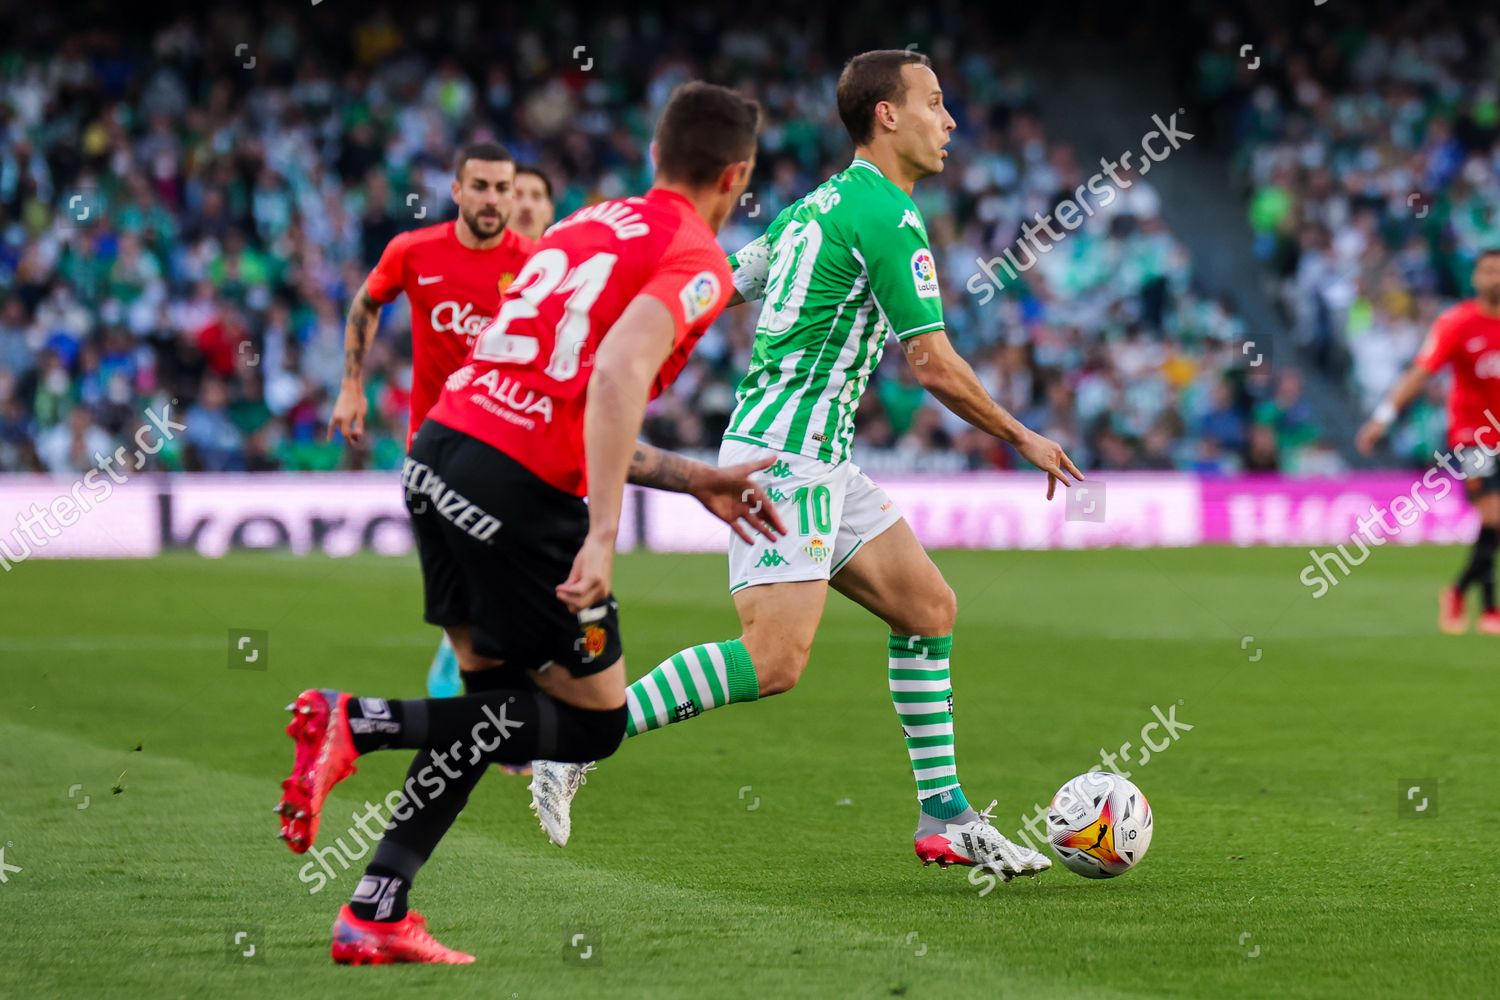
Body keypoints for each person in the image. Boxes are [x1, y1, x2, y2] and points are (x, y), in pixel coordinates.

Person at [530, 50, 1080, 881]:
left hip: (813, 453)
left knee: (929, 608)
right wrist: (1022, 434)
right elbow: (929, 361)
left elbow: (723, 282)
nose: (951, 121)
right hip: (784, 457)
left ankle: (946, 816)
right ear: (887, 116)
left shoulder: (810, 209)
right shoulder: (887, 217)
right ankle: (577, 734)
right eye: (935, 103)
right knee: (774, 661)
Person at [275, 81, 770, 964]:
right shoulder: (698, 258)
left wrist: (696, 478)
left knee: (490, 710)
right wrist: (604, 533)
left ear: (656, 155)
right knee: (592, 724)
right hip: (517, 495)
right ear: (735, 178)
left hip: (436, 456)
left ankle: (375, 910)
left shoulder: (584, 224)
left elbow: (564, 395)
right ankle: (361, 720)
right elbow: (616, 377)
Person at [327, 143, 535, 699]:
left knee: (507, 598)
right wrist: (352, 385)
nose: (492, 199)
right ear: (457, 191)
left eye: (502, 188)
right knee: (466, 609)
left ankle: (490, 716)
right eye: (481, 186)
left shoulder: (536, 265)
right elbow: (366, 303)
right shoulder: (414, 252)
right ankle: (484, 711)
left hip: (508, 452)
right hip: (434, 454)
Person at [1358, 248, 1500, 634]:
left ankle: (1457, 592)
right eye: (1488, 271)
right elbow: (1420, 374)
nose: (1494, 279)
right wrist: (1383, 418)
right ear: (1475, 279)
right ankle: (1490, 608)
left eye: (1499, 272)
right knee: (1493, 514)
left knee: (1496, 522)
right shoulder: (1457, 323)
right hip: (1473, 435)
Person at [509, 165, 556, 242]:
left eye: (536, 196)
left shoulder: (565, 253)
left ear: (551, 212)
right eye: (517, 195)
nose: (527, 206)